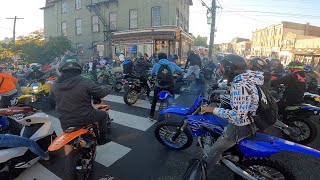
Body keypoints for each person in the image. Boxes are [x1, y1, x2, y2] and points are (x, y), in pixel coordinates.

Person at [200, 54, 261, 164]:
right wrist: (227, 88)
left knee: (214, 151)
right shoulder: (246, 77)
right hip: (253, 117)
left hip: (241, 126)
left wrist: (212, 109)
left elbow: (237, 117)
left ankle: (204, 168)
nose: (221, 69)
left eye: (223, 67)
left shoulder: (240, 86)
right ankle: (231, 153)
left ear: (230, 69)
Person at [149, 53, 182, 121]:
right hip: (169, 86)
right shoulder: (172, 64)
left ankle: (151, 116)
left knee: (154, 101)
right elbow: (180, 71)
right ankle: (172, 111)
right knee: (172, 99)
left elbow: (152, 73)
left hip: (159, 86)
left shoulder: (156, 65)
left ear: (159, 58)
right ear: (166, 57)